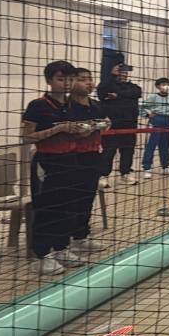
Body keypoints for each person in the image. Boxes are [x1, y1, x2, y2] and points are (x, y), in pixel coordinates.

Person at [21, 60, 95, 275]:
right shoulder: (38, 105)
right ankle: (42, 255)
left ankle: (62, 248)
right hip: (47, 162)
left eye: (70, 79)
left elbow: (76, 131)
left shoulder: (71, 105)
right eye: (61, 79)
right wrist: (58, 129)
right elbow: (27, 137)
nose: (66, 83)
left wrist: (83, 131)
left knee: (69, 207)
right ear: (49, 80)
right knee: (47, 209)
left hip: (71, 160)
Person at [68, 68, 108, 255]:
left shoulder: (96, 105)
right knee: (71, 199)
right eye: (83, 79)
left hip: (92, 156)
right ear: (71, 82)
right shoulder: (66, 105)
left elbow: (104, 122)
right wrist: (83, 130)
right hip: (71, 157)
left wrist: (104, 125)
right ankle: (64, 241)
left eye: (90, 79)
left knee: (87, 198)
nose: (88, 83)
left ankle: (81, 237)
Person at [97, 61, 142, 185]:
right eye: (120, 71)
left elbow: (137, 92)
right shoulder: (108, 85)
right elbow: (102, 93)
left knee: (128, 151)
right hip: (112, 125)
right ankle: (103, 175)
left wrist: (117, 95)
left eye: (125, 72)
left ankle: (125, 173)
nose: (123, 74)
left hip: (129, 124)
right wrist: (111, 75)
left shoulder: (133, 87)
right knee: (108, 151)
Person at [140, 78, 169, 180]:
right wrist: (148, 114)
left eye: (168, 84)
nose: (166, 86)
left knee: (165, 145)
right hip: (157, 119)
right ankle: (147, 167)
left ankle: (165, 166)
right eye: (163, 84)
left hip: (167, 119)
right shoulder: (153, 97)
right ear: (157, 86)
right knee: (151, 145)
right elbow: (142, 106)